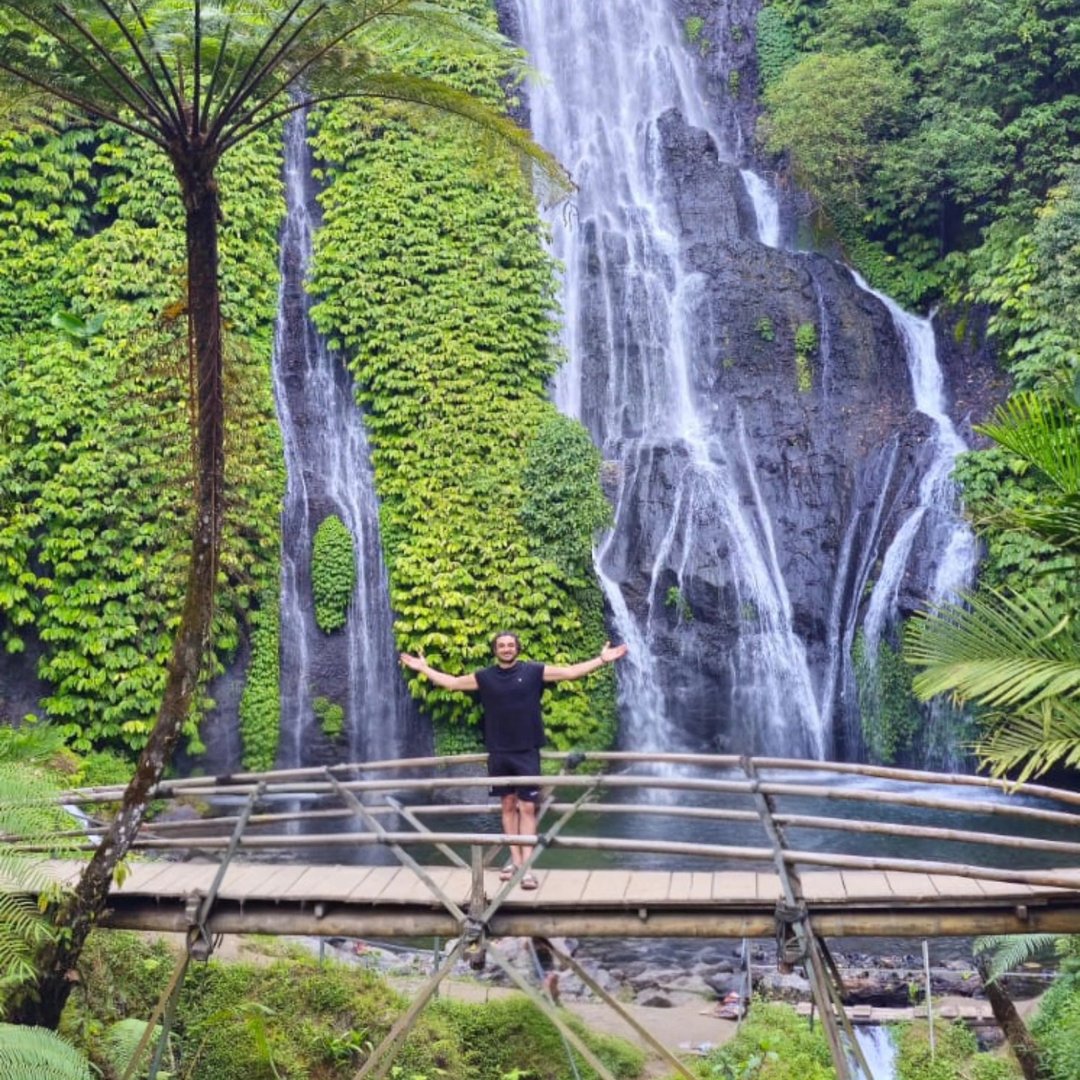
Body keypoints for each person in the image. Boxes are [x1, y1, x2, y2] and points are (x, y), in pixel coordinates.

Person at [400, 632, 628, 889]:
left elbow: (570, 672)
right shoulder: (485, 677)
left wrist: (602, 659)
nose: (506, 649)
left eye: (510, 645)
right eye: (501, 645)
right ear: (495, 650)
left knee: (528, 807)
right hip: (498, 751)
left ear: (517, 648)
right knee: (508, 806)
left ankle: (526, 867)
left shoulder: (533, 671)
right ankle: (515, 861)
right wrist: (424, 668)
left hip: (527, 750)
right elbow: (452, 683)